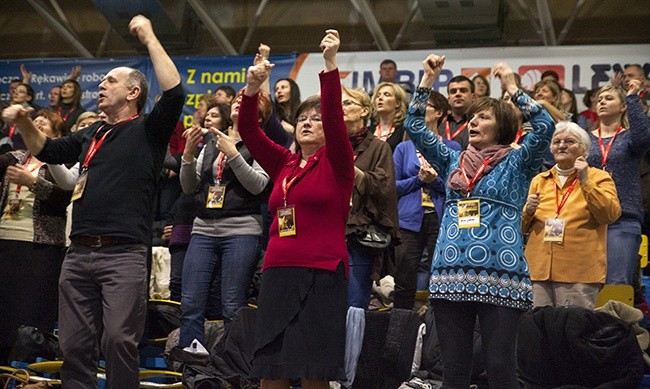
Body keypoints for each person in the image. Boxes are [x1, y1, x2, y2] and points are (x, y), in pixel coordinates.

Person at [2, 15, 184, 389]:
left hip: (124, 254)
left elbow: (176, 94)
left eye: (111, 80)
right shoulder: (92, 132)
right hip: (78, 253)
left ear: (133, 92)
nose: (101, 84)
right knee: (73, 345)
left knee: (118, 340)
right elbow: (48, 148)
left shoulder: (149, 130)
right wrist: (23, 121)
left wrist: (149, 37)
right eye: (102, 80)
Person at [405, 55, 554, 388]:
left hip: (500, 277)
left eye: (482, 117)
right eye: (471, 118)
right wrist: (428, 79)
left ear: (500, 126)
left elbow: (545, 127)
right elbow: (414, 126)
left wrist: (514, 89)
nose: (472, 122)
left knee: (500, 368)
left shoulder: (518, 160)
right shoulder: (450, 159)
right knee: (453, 371)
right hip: (449, 276)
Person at [238, 29, 353, 388]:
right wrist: (252, 89)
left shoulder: (338, 162)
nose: (307, 122)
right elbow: (249, 131)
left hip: (321, 275)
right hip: (277, 274)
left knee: (313, 373)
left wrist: (330, 65)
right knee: (270, 372)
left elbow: (335, 121)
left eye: (315, 119)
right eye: (303, 118)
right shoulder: (284, 164)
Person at [176, 95, 267, 357]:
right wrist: (189, 156)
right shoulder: (212, 144)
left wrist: (235, 154)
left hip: (242, 230)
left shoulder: (261, 144)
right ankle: (191, 365)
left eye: (247, 102)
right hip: (203, 228)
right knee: (191, 302)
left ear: (258, 118)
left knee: (232, 305)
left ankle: (233, 364)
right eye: (237, 100)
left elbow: (258, 186)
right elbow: (189, 187)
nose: (240, 101)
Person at [523, 122, 621, 309]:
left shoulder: (599, 177)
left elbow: (610, 215)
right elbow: (522, 227)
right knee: (537, 332)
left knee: (573, 332)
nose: (561, 145)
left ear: (583, 149)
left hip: (578, 272)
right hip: (538, 271)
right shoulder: (539, 180)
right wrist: (527, 212)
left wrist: (585, 181)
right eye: (556, 141)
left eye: (569, 141)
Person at [0, 109, 71, 364]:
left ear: (58, 135)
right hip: (5, 240)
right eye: (33, 122)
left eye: (43, 124)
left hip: (41, 247)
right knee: (4, 311)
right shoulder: (15, 157)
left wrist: (32, 182)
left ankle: (29, 372)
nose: (36, 125)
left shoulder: (63, 163)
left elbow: (64, 197)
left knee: (30, 311)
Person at [393, 90, 461, 310]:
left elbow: (456, 188)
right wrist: (418, 179)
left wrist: (433, 181)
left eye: (426, 107)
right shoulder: (404, 148)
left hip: (440, 220)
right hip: (408, 220)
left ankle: (434, 332)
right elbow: (392, 187)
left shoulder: (452, 148)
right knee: (404, 280)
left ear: (439, 113)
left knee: (439, 277)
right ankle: (399, 335)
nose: (420, 111)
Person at [586, 79, 650, 286]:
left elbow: (644, 138)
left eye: (609, 98)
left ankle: (615, 320)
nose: (602, 102)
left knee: (616, 283)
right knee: (587, 283)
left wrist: (632, 97)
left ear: (622, 107)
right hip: (587, 218)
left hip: (622, 219)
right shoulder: (585, 140)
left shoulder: (630, 138)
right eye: (599, 99)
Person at [341, 85, 399, 309]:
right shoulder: (328, 145)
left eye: (348, 103)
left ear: (365, 110)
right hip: (329, 231)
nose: (342, 108)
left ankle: (354, 345)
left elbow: (385, 187)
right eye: (339, 104)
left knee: (354, 302)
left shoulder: (379, 147)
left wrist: (357, 175)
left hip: (359, 234)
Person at [438, 75, 475, 149]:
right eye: (453, 91)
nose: (458, 94)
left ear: (473, 97)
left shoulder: (479, 123)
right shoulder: (438, 123)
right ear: (448, 98)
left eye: (463, 90)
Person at [370, 81, 408, 152]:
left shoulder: (404, 132)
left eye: (386, 94)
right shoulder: (367, 132)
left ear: (397, 103)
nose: (380, 98)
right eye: (378, 96)